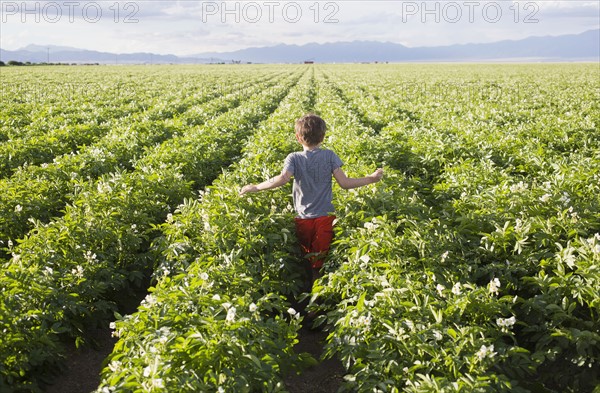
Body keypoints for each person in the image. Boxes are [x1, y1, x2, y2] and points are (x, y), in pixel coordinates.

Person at [240, 113, 383, 285]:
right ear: (323, 136)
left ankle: (311, 294)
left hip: (303, 218)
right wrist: (370, 178)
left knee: (308, 257)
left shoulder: (293, 157)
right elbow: (344, 183)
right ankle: (316, 295)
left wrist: (255, 187)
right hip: (325, 217)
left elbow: (282, 178)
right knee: (318, 260)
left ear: (298, 137)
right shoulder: (329, 156)